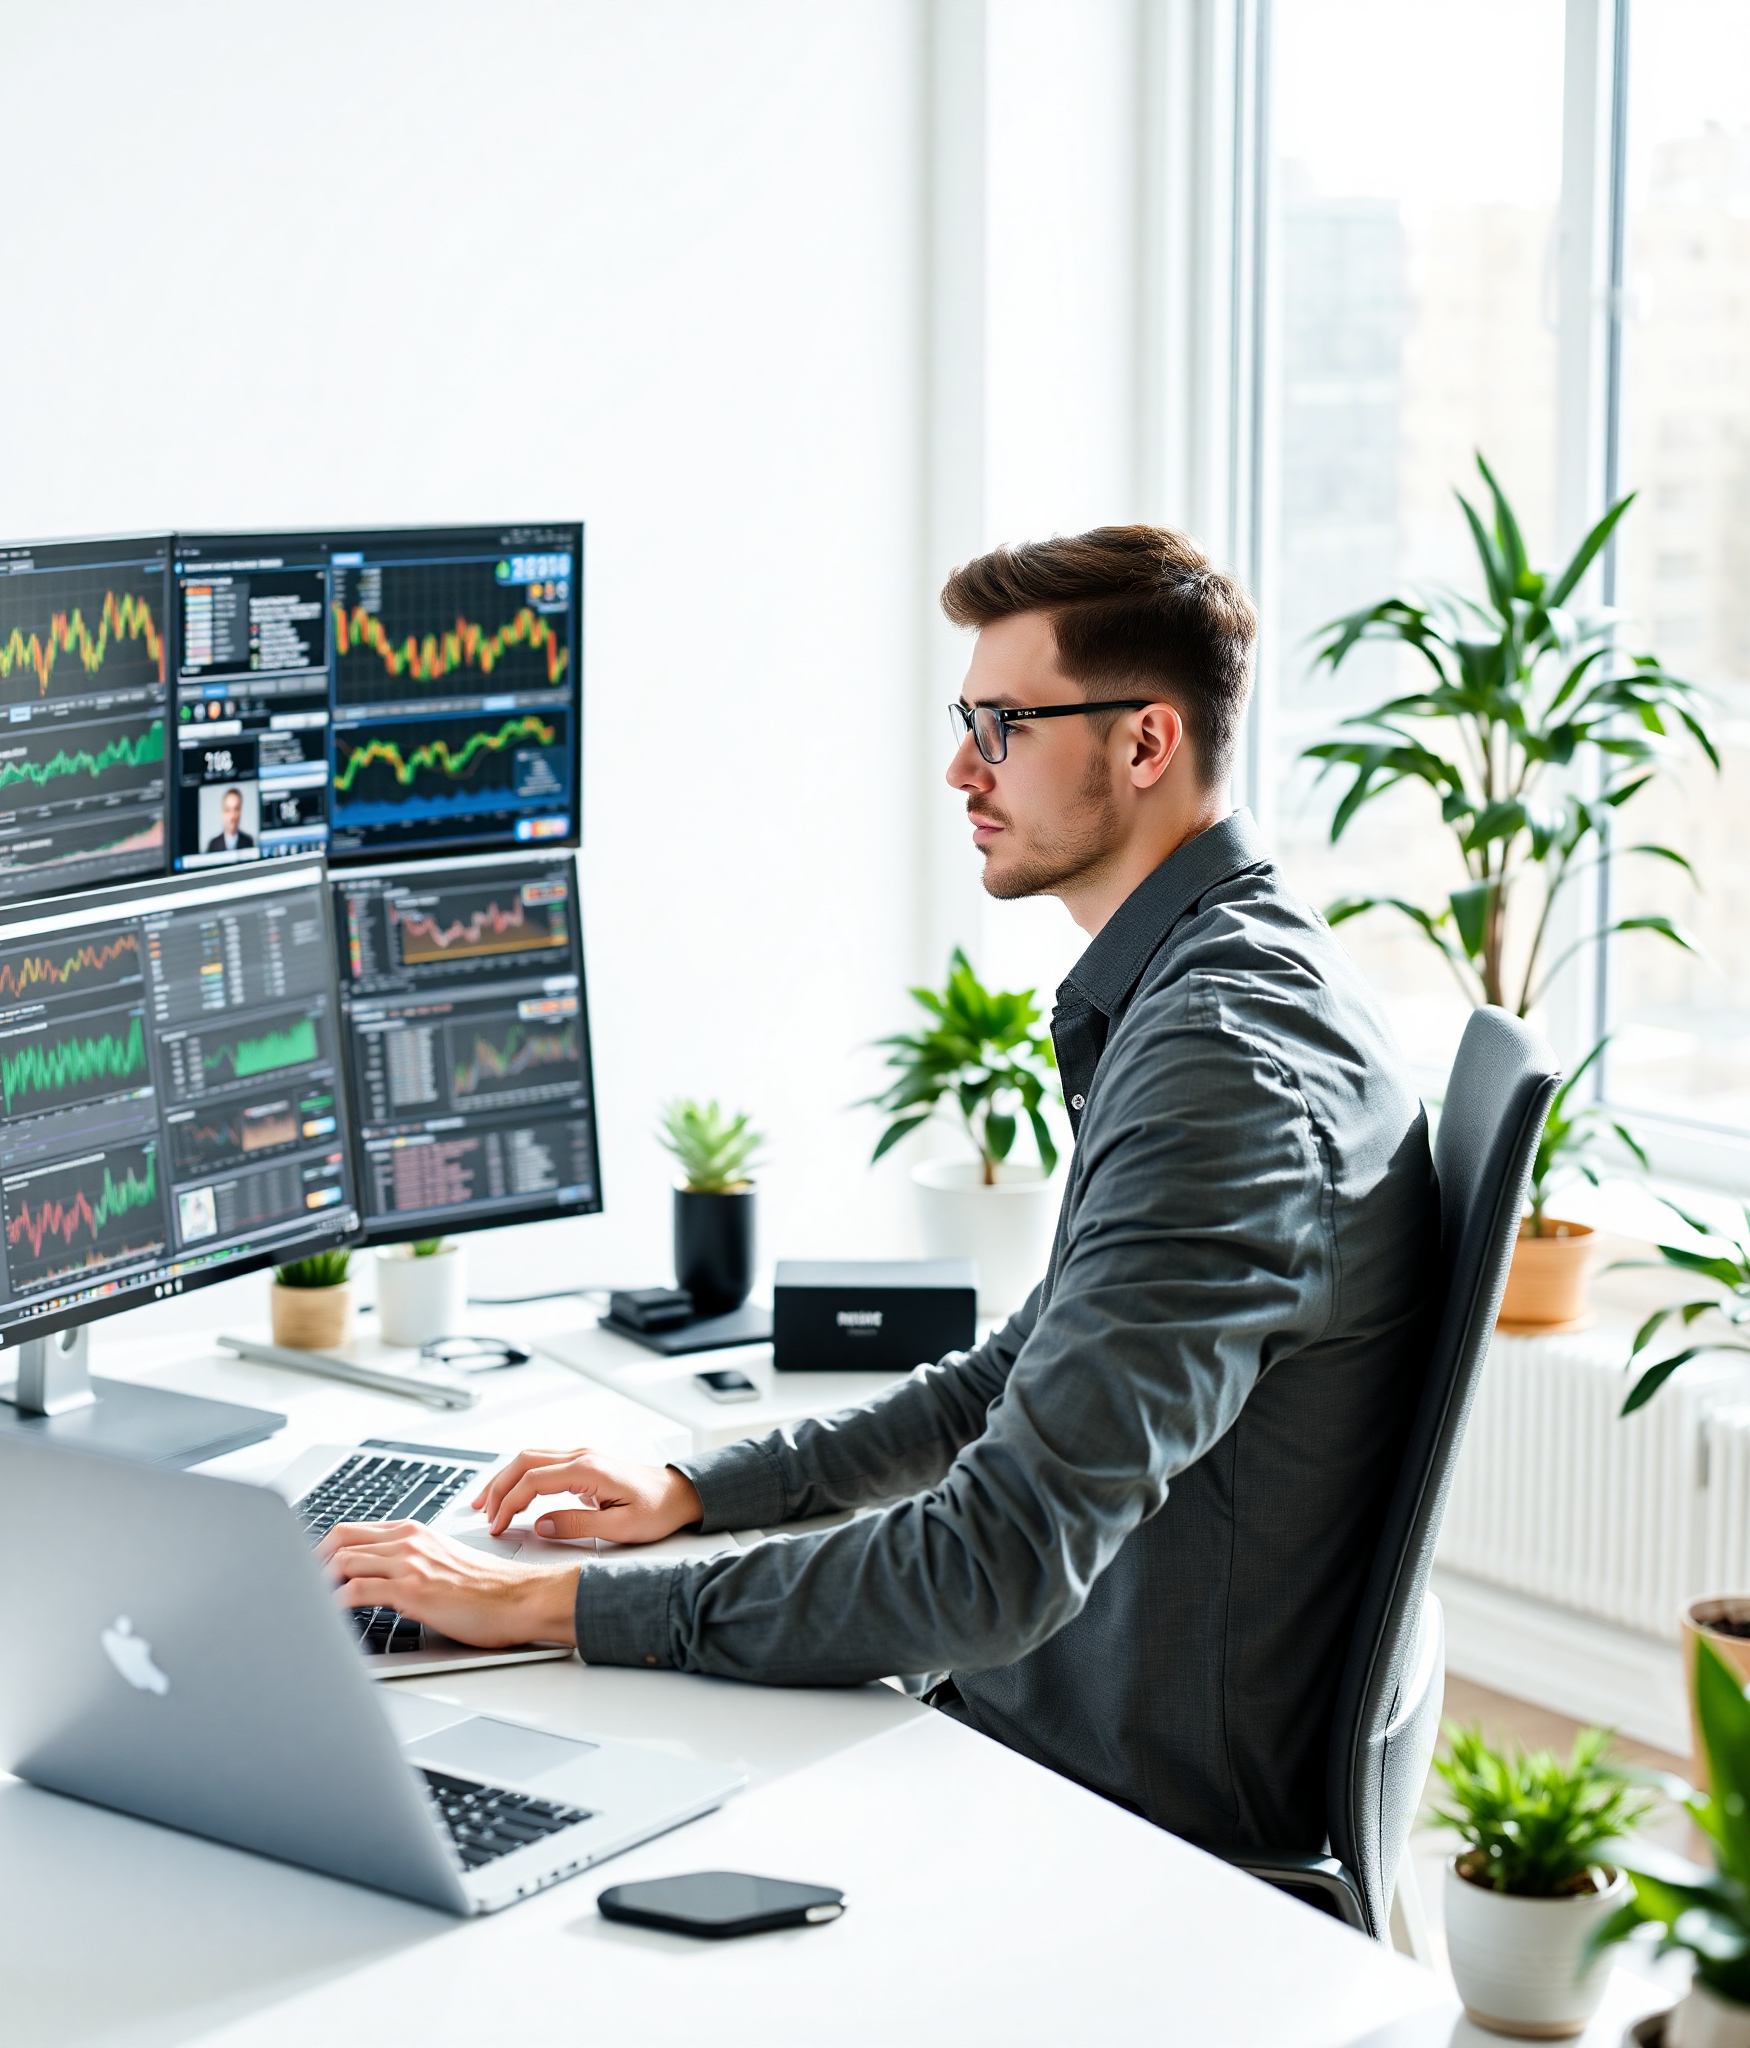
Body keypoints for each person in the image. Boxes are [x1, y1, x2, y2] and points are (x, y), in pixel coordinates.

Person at [317, 525, 1438, 1859]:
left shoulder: (1221, 1065)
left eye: (1004, 725)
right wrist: (695, 1487)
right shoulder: (1220, 984)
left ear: (1145, 743)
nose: (962, 768)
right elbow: (1015, 1374)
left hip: (1106, 1809)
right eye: (967, 721)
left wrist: (546, 1608)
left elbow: (991, 1564)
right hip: (1073, 1714)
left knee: (533, 1825)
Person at [205, 786, 255, 854]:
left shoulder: (248, 842)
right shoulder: (213, 845)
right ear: (222, 813)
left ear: (240, 812)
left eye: (236, 809)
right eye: (228, 810)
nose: (232, 816)